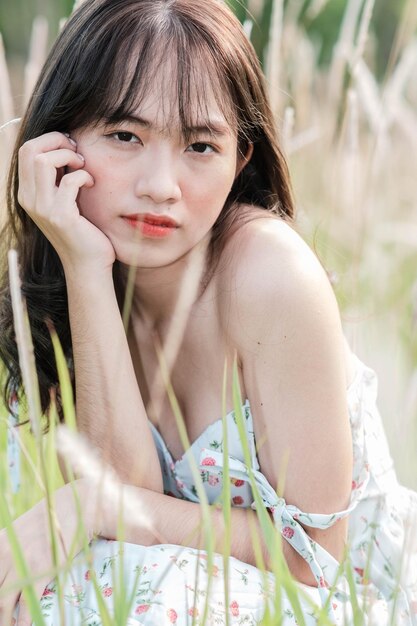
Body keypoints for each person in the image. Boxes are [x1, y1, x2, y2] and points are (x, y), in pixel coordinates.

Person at [0, 0, 416, 624]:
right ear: (60, 142)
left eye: (200, 145)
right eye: (125, 136)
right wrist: (85, 266)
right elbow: (123, 496)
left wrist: (93, 507)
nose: (161, 185)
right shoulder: (79, 274)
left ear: (240, 159)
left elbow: (314, 564)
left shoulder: (271, 278)